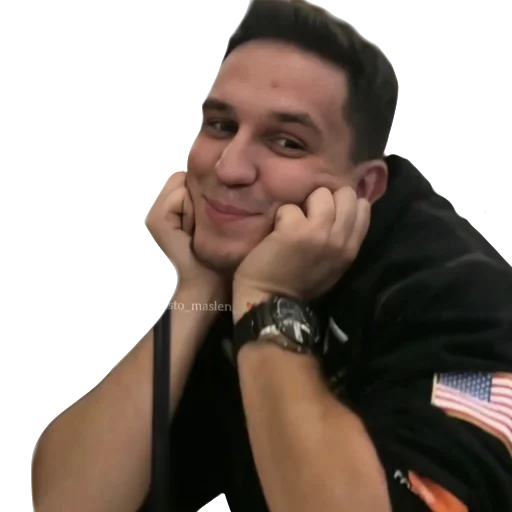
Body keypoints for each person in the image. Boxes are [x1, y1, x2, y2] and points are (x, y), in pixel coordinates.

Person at [31, 1, 511, 511]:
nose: (230, 168)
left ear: (363, 189)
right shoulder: (236, 251)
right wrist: (197, 291)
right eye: (220, 125)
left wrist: (269, 301)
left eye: (286, 142)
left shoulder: (467, 299)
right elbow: (64, 505)